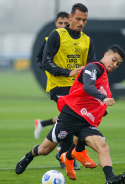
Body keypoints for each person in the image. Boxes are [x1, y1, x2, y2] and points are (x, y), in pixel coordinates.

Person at [15, 45, 125, 184]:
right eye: (113, 60)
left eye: (117, 64)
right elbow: (88, 86)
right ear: (106, 54)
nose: (114, 65)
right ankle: (29, 155)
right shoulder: (93, 68)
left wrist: (102, 109)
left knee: (103, 146)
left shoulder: (104, 79)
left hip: (86, 122)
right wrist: (103, 98)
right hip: (70, 116)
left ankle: (110, 178)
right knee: (44, 150)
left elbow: (93, 100)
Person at [37, 3, 97, 170]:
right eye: (78, 19)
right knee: (71, 115)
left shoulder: (87, 41)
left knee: (79, 120)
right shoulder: (56, 35)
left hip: (77, 89)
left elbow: (92, 67)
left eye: (84, 20)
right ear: (70, 18)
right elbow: (45, 61)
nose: (81, 23)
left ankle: (64, 152)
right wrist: (66, 72)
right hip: (59, 86)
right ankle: (66, 156)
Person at [34, 11, 69, 139]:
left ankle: (43, 124)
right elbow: (39, 59)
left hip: (72, 84)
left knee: (72, 115)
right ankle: (63, 151)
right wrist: (49, 69)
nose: (63, 26)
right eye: (60, 23)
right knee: (70, 115)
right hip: (57, 85)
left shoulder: (73, 41)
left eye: (66, 23)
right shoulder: (49, 40)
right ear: (56, 24)